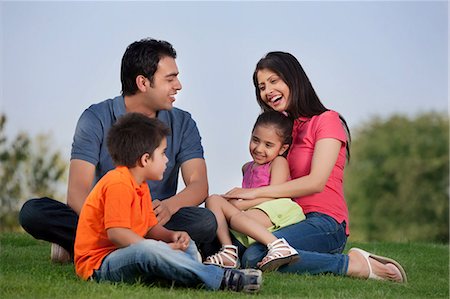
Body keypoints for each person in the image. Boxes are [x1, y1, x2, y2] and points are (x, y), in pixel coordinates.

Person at [19, 38, 217, 263]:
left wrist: (170, 207)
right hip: (104, 219)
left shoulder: (183, 122)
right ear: (143, 82)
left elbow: (199, 184)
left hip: (156, 222)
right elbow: (77, 193)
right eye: (170, 79)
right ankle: (136, 248)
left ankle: (89, 246)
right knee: (33, 212)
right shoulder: (95, 118)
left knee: (205, 222)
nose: (178, 85)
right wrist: (115, 227)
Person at [223, 51, 408, 283]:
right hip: (285, 219)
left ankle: (353, 264)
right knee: (231, 245)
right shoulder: (281, 134)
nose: (267, 91)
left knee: (256, 256)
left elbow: (315, 181)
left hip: (325, 222)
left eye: (273, 81)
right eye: (261, 87)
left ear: (293, 79)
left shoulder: (327, 120)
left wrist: (253, 193)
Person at [74, 112, 262, 293]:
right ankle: (221, 278)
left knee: (185, 243)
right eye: (163, 153)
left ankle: (188, 274)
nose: (167, 159)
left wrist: (171, 236)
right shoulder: (118, 182)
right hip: (100, 265)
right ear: (145, 159)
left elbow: (149, 228)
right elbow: (117, 233)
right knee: (147, 249)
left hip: (128, 257)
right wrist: (160, 248)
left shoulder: (140, 185)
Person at [204, 111, 303, 271]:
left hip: (278, 208)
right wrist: (231, 202)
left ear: (282, 148)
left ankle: (278, 246)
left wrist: (240, 205)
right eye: (255, 140)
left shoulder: (278, 162)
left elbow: (275, 194)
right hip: (255, 210)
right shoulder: (247, 167)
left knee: (235, 219)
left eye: (268, 145)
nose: (258, 148)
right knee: (213, 200)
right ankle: (228, 250)